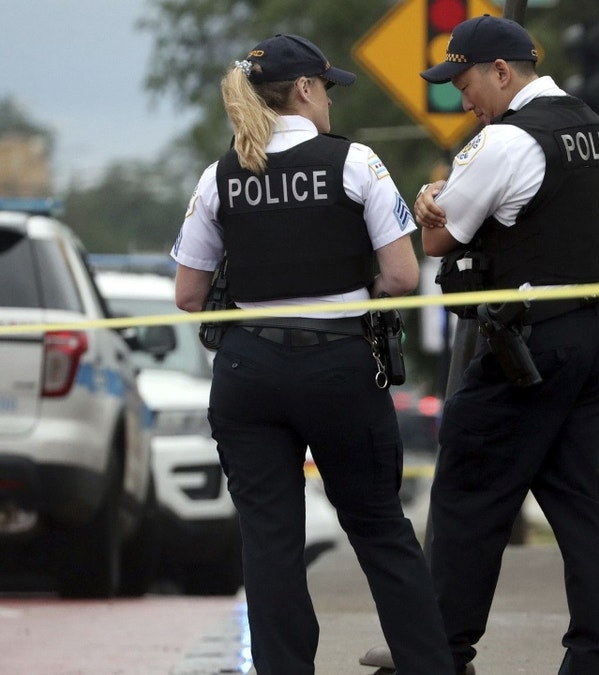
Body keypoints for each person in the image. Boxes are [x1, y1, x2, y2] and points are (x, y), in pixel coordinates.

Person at [170, 34, 453, 675]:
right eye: (326, 87)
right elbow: (405, 277)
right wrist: (362, 285)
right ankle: (429, 664)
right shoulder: (355, 162)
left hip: (247, 372)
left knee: (270, 539)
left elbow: (188, 293)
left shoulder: (220, 174)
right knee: (379, 525)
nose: (329, 100)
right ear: (303, 89)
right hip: (338, 367)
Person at [417, 14, 599, 675]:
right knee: (576, 501)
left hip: (529, 343)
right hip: (594, 335)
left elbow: (440, 238)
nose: (461, 99)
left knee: (465, 487)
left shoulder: (506, 142)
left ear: (502, 72)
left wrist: (429, 199)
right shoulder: (591, 126)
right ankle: (591, 655)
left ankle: (441, 649)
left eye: (465, 81)